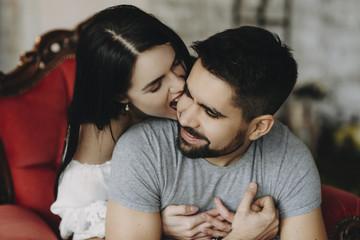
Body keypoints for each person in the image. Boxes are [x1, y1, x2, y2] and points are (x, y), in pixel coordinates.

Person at [106, 26, 328, 239]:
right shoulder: (144, 149)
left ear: (258, 127)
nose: (185, 117)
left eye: (210, 112)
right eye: (189, 94)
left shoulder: (290, 161)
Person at [51, 5, 238, 240]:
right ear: (121, 96)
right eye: (156, 85)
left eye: (176, 63)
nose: (180, 85)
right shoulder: (103, 135)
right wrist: (155, 222)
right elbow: (82, 220)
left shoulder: (200, 76)